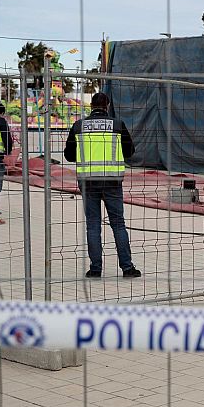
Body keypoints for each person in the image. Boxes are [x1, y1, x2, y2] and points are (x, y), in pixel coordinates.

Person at [64, 92, 140, 278]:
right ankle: (127, 268)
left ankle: (95, 269)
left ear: (91, 106)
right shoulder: (117, 125)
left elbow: (69, 155)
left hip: (88, 181)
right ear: (107, 105)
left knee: (92, 225)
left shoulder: (79, 126)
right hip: (112, 181)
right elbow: (130, 151)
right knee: (118, 224)